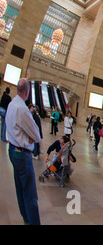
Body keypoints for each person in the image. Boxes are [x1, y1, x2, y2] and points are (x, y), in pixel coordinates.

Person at [6, 78, 41, 225]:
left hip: (13, 150)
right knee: (30, 193)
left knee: (20, 188)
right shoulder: (22, 109)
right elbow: (37, 136)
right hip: (22, 154)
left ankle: (26, 218)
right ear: (27, 92)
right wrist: (29, 139)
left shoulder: (12, 104)